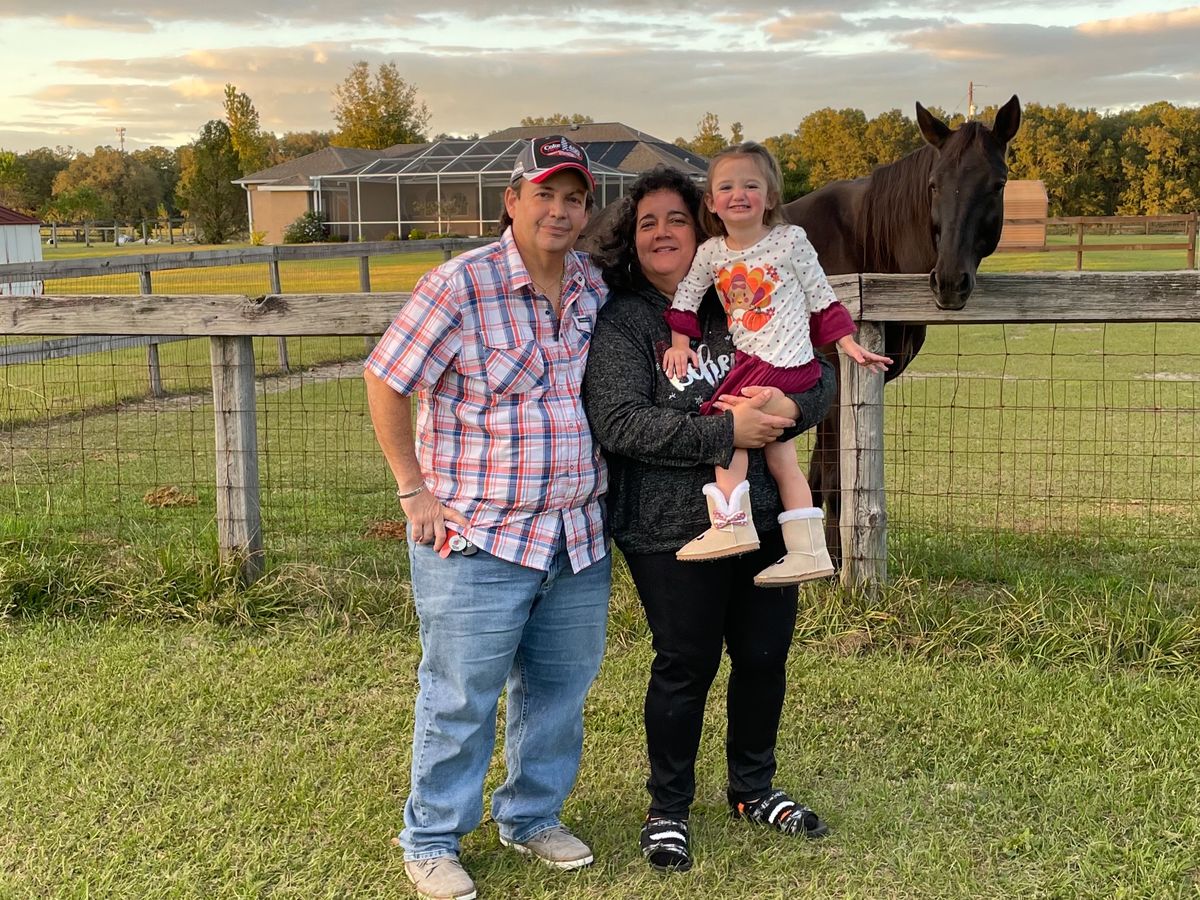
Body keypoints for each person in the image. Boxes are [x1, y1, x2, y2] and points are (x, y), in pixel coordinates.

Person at [364, 135, 611, 900]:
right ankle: (432, 838)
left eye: (574, 199)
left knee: (559, 694)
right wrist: (412, 491)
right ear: (512, 201)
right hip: (479, 537)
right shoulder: (459, 285)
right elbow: (386, 378)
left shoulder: (592, 288)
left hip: (576, 537)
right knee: (459, 696)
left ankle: (531, 815)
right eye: (545, 195)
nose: (559, 211)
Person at [582, 165, 838, 873]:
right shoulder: (625, 322)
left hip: (762, 518)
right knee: (685, 663)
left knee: (763, 656)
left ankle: (752, 789)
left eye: (677, 219)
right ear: (632, 240)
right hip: (669, 527)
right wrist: (729, 433)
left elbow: (818, 374)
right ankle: (668, 808)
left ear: (703, 231)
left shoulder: (739, 298)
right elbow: (619, 422)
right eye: (648, 223)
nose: (663, 233)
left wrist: (784, 410)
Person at [661, 142, 891, 585]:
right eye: (726, 187)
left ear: (769, 197)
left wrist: (847, 342)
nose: (739, 194)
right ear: (711, 201)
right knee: (782, 457)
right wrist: (679, 343)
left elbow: (821, 295)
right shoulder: (711, 253)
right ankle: (809, 551)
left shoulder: (789, 240)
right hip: (756, 362)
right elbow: (686, 297)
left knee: (727, 424)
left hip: (785, 361)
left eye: (751, 185)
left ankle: (732, 525)